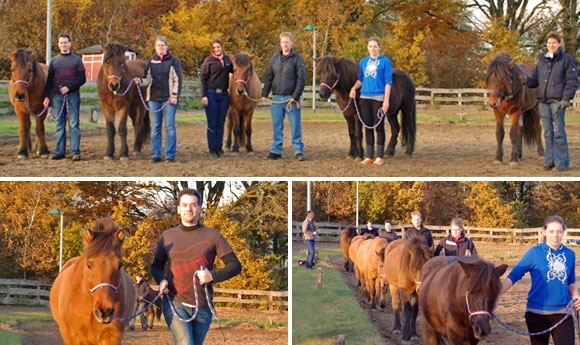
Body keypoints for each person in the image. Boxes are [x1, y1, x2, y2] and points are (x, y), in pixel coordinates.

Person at [151, 188, 242, 345]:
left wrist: (212, 276)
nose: (189, 208)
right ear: (178, 209)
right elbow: (156, 266)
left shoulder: (213, 236)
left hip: (203, 307)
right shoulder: (167, 237)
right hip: (174, 302)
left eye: (193, 205)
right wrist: (161, 280)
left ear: (199, 208)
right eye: (185, 205)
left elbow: (235, 265)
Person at [497, 215, 580, 345]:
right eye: (551, 231)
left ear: (564, 232)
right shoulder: (534, 253)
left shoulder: (570, 254)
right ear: (544, 232)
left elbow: (571, 280)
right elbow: (514, 275)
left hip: (563, 312)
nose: (555, 235)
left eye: (559, 231)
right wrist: (496, 295)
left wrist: (576, 295)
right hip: (537, 312)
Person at [522, 32, 578, 172]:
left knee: (558, 131)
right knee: (547, 132)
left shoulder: (566, 60)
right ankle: (549, 161)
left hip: (557, 101)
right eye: (549, 43)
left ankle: (562, 163)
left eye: (554, 43)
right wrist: (526, 80)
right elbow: (535, 79)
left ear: (559, 44)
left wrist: (566, 98)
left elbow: (572, 81)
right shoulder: (542, 60)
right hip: (543, 101)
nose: (551, 45)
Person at [261, 32, 306, 161]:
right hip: (276, 99)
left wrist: (295, 96)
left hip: (290, 100)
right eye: (283, 42)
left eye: (287, 42)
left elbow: (301, 79)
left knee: (295, 126)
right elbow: (269, 77)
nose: (285, 45)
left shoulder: (297, 59)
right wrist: (265, 93)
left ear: (291, 43)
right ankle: (276, 150)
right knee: (277, 126)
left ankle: (298, 150)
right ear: (280, 43)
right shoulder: (274, 60)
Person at [137, 36, 183, 163]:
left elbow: (177, 79)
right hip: (153, 98)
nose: (161, 47)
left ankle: (169, 155)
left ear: (166, 47)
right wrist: (139, 81)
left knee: (170, 127)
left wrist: (174, 96)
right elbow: (147, 78)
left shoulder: (174, 61)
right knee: (156, 127)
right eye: (158, 45)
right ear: (155, 47)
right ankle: (156, 154)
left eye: (163, 45)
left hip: (168, 99)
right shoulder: (151, 62)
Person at [349, 37, 392, 165]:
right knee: (367, 126)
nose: (373, 49)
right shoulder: (363, 62)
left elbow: (388, 82)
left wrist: (386, 101)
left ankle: (379, 156)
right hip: (364, 97)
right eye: (370, 46)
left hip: (378, 97)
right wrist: (354, 88)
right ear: (367, 48)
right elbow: (360, 79)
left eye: (375, 46)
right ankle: (369, 155)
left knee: (378, 127)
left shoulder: (385, 62)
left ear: (379, 47)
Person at [43, 33, 86, 161]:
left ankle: (75, 152)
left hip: (72, 96)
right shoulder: (54, 61)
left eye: (65, 42)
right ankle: (59, 151)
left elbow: (82, 78)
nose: (63, 44)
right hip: (57, 96)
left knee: (73, 124)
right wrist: (47, 96)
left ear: (70, 43)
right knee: (59, 124)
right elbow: (50, 80)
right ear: (58, 44)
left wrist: (69, 87)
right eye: (61, 42)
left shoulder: (76, 60)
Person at [201, 38, 233, 158]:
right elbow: (203, 79)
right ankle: (212, 147)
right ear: (212, 49)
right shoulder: (208, 61)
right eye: (214, 47)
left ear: (221, 47)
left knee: (221, 122)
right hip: (211, 93)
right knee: (212, 122)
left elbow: (236, 71)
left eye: (218, 47)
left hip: (224, 94)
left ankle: (219, 146)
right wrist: (204, 95)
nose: (216, 49)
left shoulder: (228, 60)